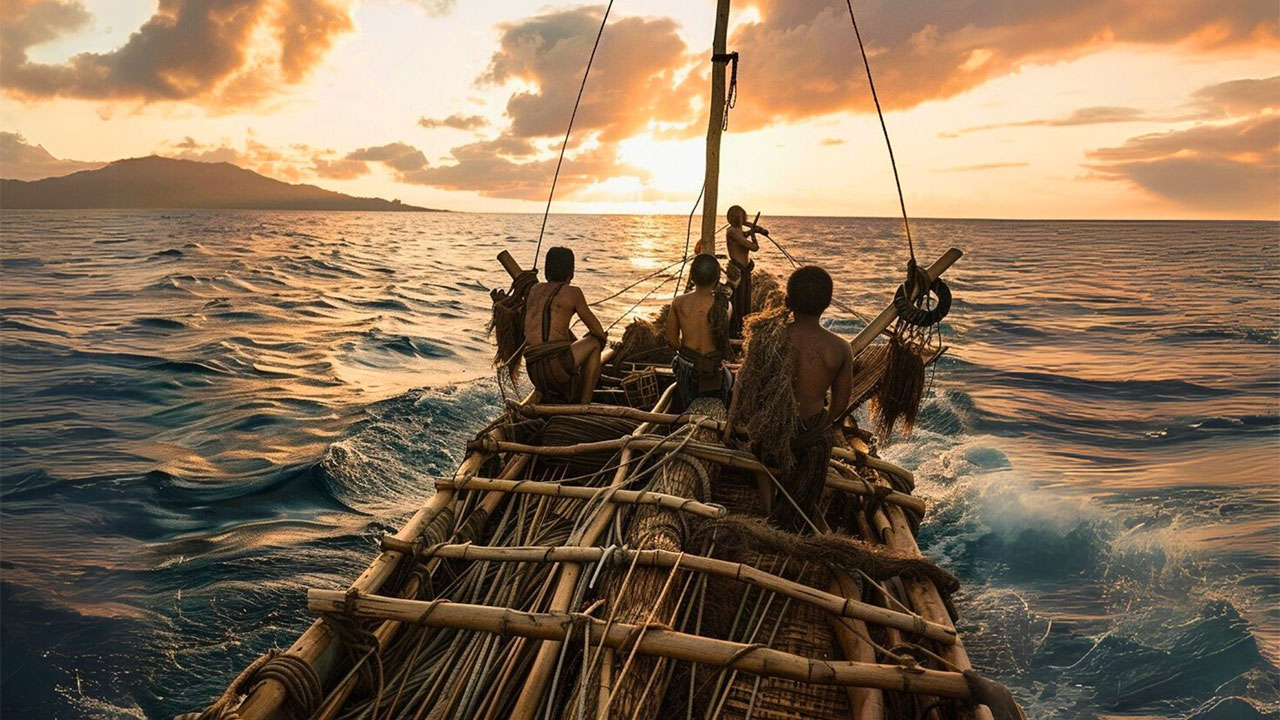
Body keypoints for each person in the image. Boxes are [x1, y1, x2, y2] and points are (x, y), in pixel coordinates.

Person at [773, 265, 852, 531]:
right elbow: (840, 405)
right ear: (827, 303)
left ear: (790, 300)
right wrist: (822, 423)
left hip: (774, 430)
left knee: (762, 446)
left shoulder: (772, 338)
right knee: (817, 451)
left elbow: (754, 387)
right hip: (812, 438)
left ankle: (766, 505)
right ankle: (805, 512)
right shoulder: (841, 348)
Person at [522, 247, 606, 404]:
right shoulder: (573, 293)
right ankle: (583, 406)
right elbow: (598, 331)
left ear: (547, 270)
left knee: (567, 343)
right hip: (556, 370)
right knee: (594, 342)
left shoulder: (534, 289)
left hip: (534, 371)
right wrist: (601, 341)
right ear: (571, 272)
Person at [666, 254, 733, 408]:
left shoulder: (678, 303)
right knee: (729, 382)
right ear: (717, 277)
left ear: (692, 276)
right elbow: (721, 340)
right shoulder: (725, 305)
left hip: (687, 370)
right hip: (714, 372)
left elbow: (672, 341)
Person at [725, 205, 765, 338]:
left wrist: (752, 231)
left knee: (745, 301)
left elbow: (744, 236)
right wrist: (753, 234)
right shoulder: (732, 231)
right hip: (737, 271)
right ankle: (735, 331)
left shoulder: (738, 231)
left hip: (745, 271)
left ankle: (743, 329)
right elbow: (754, 247)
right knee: (737, 302)